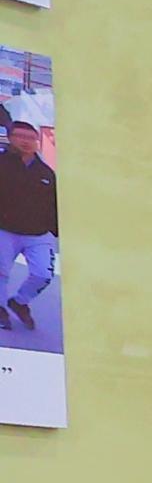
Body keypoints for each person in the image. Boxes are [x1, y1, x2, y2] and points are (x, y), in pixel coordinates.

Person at [0, 114, 50, 333]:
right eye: (19, 136)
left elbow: (55, 204)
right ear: (10, 138)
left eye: (31, 137)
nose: (25, 140)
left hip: (37, 234)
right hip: (5, 230)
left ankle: (20, 301)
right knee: (1, 272)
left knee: (43, 274)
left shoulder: (46, 172)